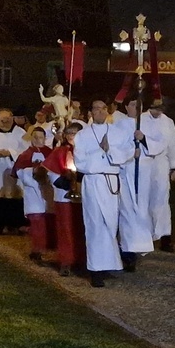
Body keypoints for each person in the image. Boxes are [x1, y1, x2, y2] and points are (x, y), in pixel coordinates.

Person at [74, 99, 135, 287]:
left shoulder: (118, 132)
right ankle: (95, 270)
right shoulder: (82, 135)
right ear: (90, 112)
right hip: (94, 181)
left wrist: (111, 150)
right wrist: (100, 152)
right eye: (95, 109)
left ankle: (108, 264)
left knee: (111, 224)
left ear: (107, 111)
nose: (99, 112)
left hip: (112, 182)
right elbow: (80, 162)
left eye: (102, 109)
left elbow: (129, 152)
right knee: (95, 224)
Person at [115, 96, 165, 272]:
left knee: (141, 210)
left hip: (143, 173)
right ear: (126, 107)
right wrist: (130, 153)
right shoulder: (119, 125)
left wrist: (143, 139)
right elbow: (115, 148)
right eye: (133, 105)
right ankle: (126, 252)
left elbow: (159, 144)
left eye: (139, 105)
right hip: (126, 171)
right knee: (127, 211)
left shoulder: (149, 124)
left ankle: (138, 249)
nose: (136, 108)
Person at [42, 122, 86, 276]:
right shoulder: (60, 151)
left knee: (82, 229)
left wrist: (79, 180)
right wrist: (67, 182)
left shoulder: (88, 151)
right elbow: (51, 173)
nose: (72, 136)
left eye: (76, 133)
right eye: (70, 133)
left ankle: (82, 259)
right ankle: (66, 261)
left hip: (85, 197)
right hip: (64, 196)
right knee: (65, 229)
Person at [140, 98, 175, 252]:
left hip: (161, 164)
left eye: (161, 109)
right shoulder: (141, 119)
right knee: (143, 198)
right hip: (144, 163)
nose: (158, 112)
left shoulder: (168, 122)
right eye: (155, 108)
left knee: (162, 199)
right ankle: (144, 236)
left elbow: (173, 144)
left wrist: (174, 167)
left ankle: (165, 236)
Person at [12, 127, 54, 265]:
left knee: (47, 222)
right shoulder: (25, 154)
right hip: (33, 193)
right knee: (37, 222)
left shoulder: (50, 153)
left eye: (40, 137)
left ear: (45, 138)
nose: (37, 140)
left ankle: (46, 248)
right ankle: (37, 250)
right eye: (34, 137)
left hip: (48, 193)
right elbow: (19, 172)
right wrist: (32, 174)